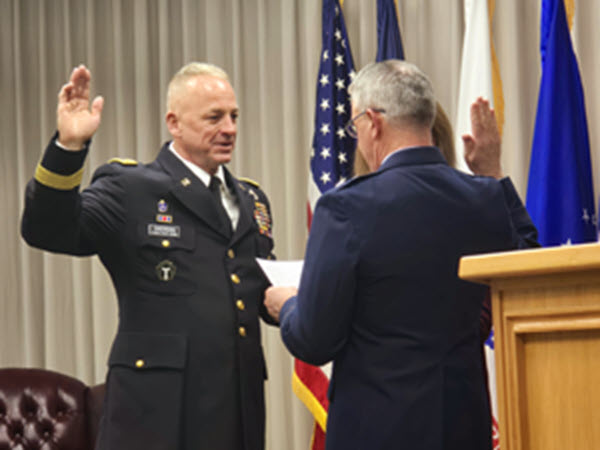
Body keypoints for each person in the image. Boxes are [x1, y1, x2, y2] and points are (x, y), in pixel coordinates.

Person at [264, 60, 537, 450]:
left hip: (378, 431)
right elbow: (531, 271)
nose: (356, 138)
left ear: (373, 122)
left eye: (355, 126)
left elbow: (314, 340)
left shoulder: (346, 208)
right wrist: (493, 173)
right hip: (463, 427)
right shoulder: (485, 197)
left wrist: (289, 305)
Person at [21, 63, 276, 450]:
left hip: (237, 410)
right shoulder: (131, 189)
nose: (230, 128)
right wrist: (68, 148)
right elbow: (46, 229)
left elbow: (257, 290)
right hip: (158, 413)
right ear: (174, 122)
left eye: (234, 116)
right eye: (214, 117)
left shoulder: (252, 200)